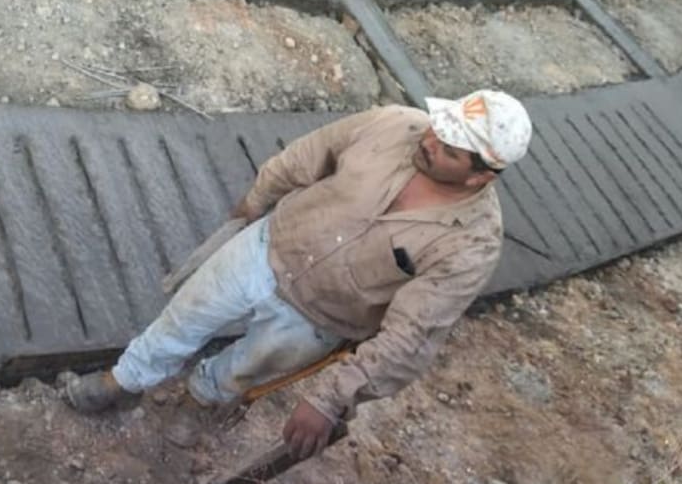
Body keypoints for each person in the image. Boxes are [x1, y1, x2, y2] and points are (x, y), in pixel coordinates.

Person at [65, 90, 532, 458]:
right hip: (271, 245)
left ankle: (201, 399)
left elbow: (410, 338)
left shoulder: (470, 246)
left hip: (320, 319)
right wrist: (255, 200)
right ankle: (125, 380)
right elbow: (310, 153)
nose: (428, 142)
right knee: (184, 317)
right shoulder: (392, 124)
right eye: (438, 127)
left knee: (245, 368)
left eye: (448, 149)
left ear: (481, 176)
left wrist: (331, 399)